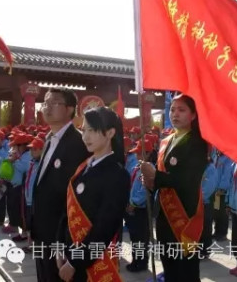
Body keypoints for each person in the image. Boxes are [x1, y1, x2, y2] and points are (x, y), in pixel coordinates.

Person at [56, 106, 130, 282]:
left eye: (92, 130)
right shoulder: (82, 167)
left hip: (95, 262)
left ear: (110, 133)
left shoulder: (117, 175)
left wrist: (75, 262)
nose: (85, 136)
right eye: (83, 130)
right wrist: (59, 246)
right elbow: (66, 212)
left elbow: (105, 228)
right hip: (69, 255)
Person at [140, 94, 209, 282]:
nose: (175, 114)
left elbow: (188, 179)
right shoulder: (166, 141)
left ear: (193, 115)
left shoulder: (198, 142)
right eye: (172, 109)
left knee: (185, 269)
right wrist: (150, 181)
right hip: (164, 213)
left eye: (181, 110)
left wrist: (156, 175)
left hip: (184, 214)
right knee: (169, 264)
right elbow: (161, 179)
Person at [30, 88, 90, 282]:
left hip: (61, 236)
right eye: (45, 103)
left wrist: (65, 242)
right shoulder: (49, 140)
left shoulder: (78, 143)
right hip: (43, 231)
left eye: (53, 103)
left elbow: (75, 197)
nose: (46, 107)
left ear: (69, 109)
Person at [124, 139, 152, 273]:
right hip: (132, 206)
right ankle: (136, 260)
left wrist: (134, 202)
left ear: (146, 153)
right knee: (134, 237)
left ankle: (141, 262)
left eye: (139, 153)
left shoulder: (149, 169)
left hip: (140, 208)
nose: (136, 156)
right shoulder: (137, 167)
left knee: (141, 237)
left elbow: (143, 190)